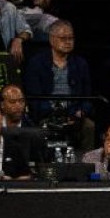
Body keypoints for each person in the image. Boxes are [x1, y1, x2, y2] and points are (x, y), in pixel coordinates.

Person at [24, 20, 95, 151]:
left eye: (71, 38)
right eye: (63, 38)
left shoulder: (80, 63)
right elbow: (34, 98)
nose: (68, 42)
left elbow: (87, 96)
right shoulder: (37, 63)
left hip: (74, 115)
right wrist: (52, 114)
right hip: (46, 115)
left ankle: (87, 163)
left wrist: (80, 112)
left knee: (89, 126)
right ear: (51, 40)